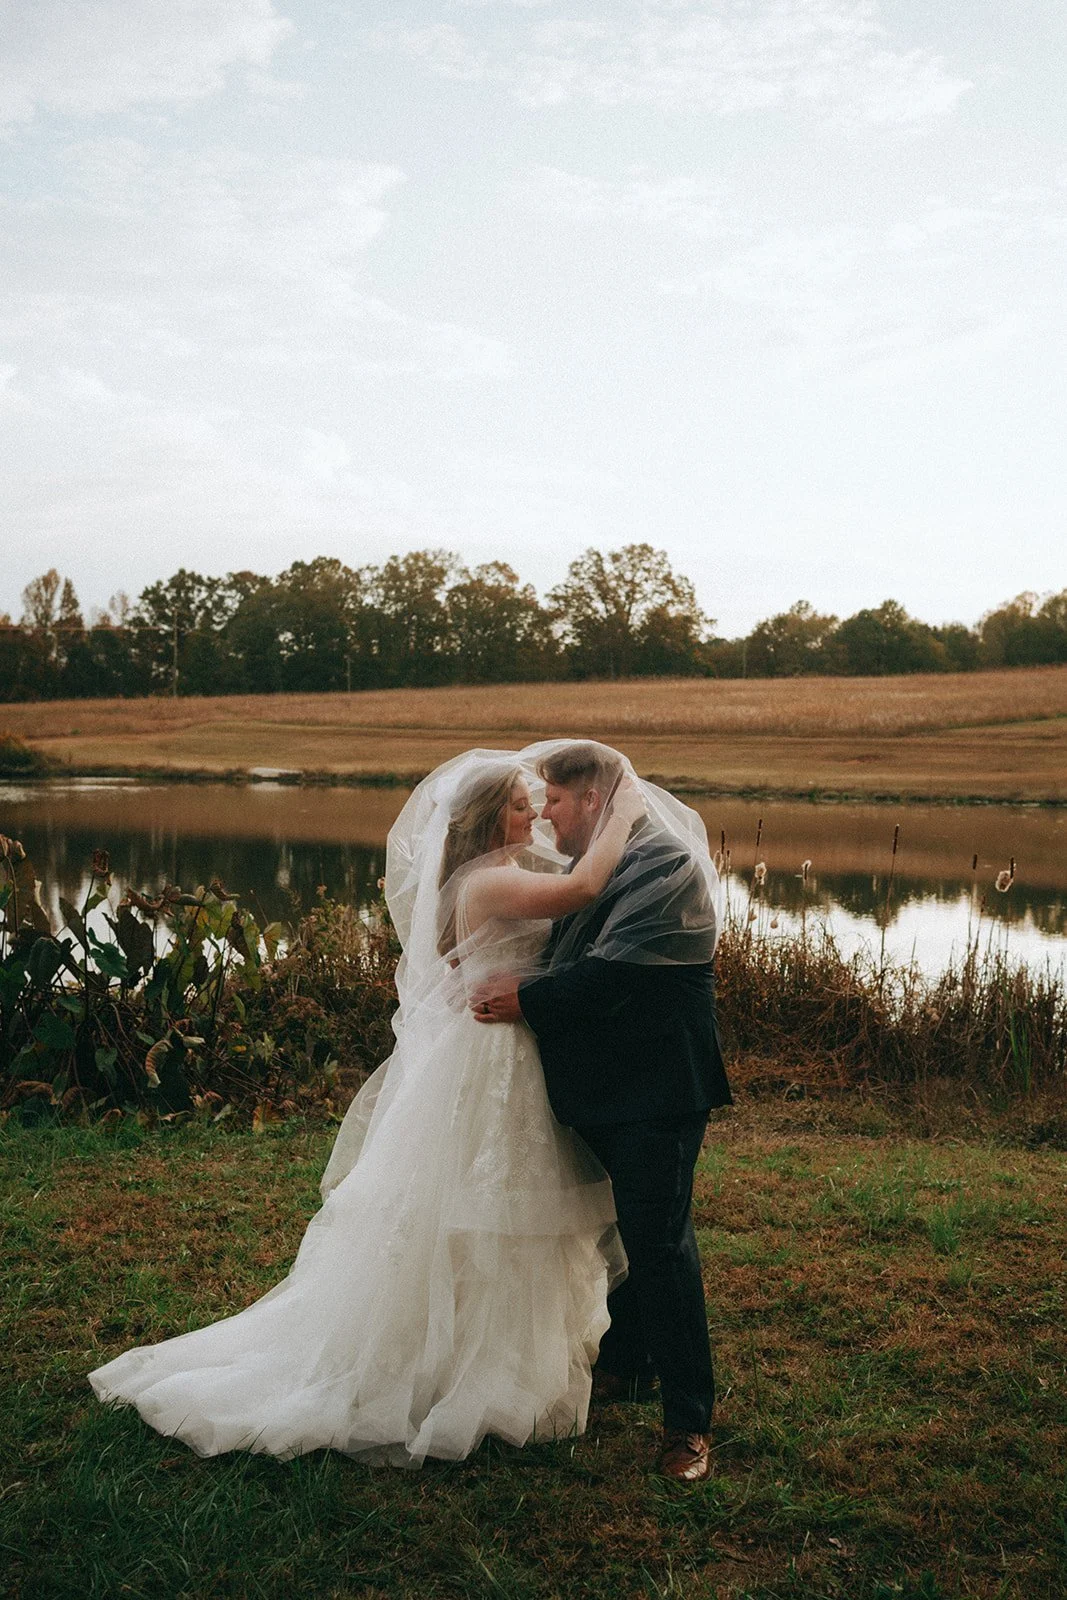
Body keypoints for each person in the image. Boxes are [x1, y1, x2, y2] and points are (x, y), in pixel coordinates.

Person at [89, 750, 644, 1465]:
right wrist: (623, 807)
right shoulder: (487, 880)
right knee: (477, 1207)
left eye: (533, 801)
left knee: (503, 1214)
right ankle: (445, 1366)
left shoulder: (498, 874)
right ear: (482, 820)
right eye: (516, 804)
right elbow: (588, 887)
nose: (533, 812)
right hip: (489, 1062)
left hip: (508, 1051)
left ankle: (499, 1358)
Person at [473, 740, 731, 1484]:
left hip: (656, 1087)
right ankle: (628, 1363)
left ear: (592, 800)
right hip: (601, 1085)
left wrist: (523, 998)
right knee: (616, 1228)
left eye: (553, 799)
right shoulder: (596, 858)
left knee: (659, 1243)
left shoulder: (663, 864)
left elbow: (606, 976)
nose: (544, 813)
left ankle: (688, 1425)